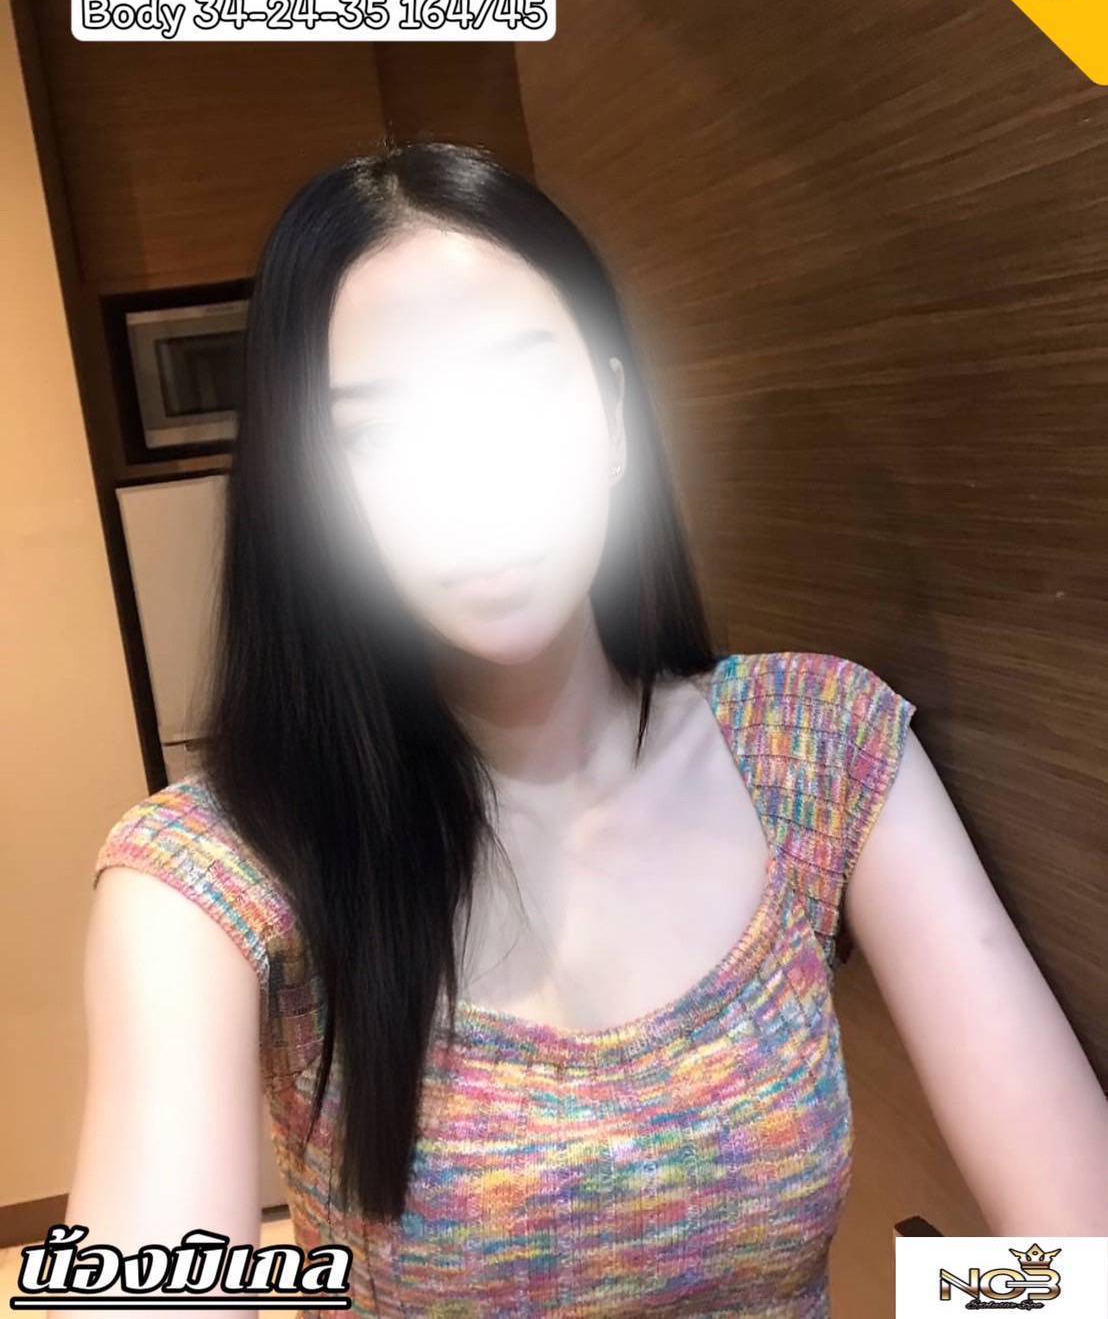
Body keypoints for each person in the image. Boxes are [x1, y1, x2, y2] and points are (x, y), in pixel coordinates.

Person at [74, 141, 1108, 1317]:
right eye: (379, 436)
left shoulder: (818, 746)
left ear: (612, 416)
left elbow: (1082, 1258)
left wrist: (926, 1301)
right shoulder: (209, 875)